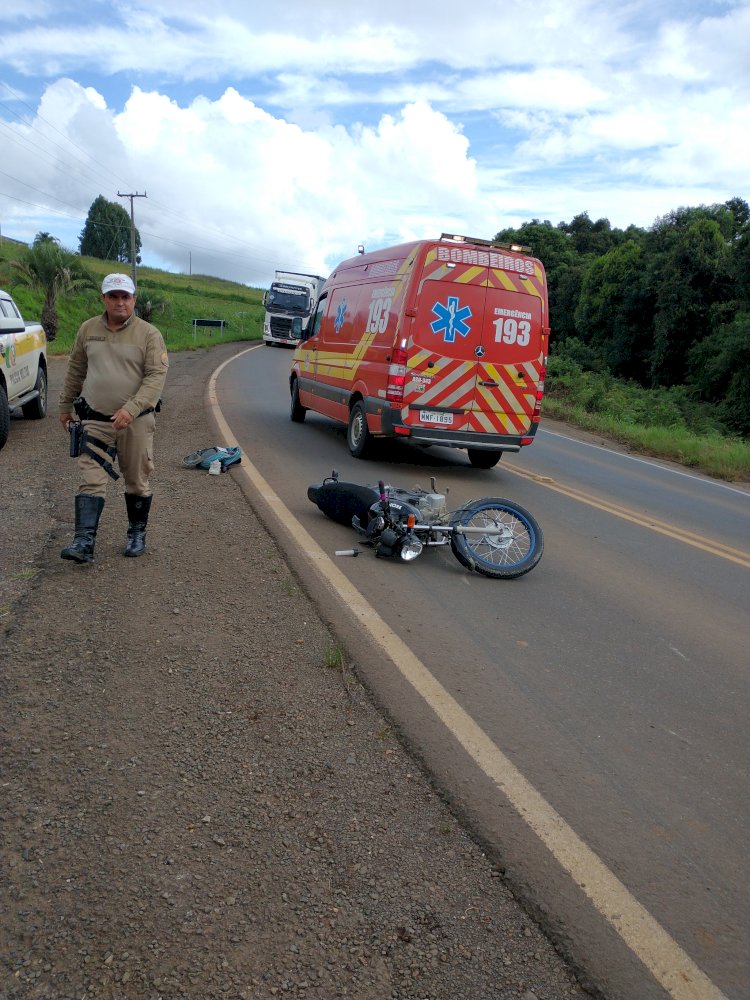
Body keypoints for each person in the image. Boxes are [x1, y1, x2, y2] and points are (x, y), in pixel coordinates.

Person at [58, 273, 169, 563]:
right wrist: (65, 405)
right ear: (104, 299)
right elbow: (76, 370)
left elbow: (156, 377)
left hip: (137, 421)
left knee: (137, 480)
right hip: (94, 420)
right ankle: (84, 543)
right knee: (90, 479)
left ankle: (136, 534)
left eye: (125, 297)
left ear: (133, 299)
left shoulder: (149, 334)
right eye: (113, 296)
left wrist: (131, 409)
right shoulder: (87, 330)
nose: (120, 302)